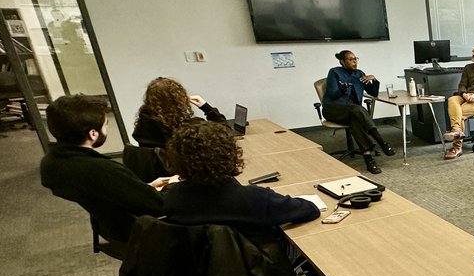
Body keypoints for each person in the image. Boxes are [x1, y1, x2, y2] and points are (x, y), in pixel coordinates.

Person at [40, 94, 169, 245]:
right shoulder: (103, 170)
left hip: (110, 228)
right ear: (93, 134)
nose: (107, 128)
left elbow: (108, 193)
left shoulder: (51, 163)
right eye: (106, 125)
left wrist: (144, 188)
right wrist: (173, 185)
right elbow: (158, 206)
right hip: (141, 234)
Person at [162, 119, 320, 243]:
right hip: (254, 274)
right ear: (230, 154)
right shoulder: (254, 198)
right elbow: (310, 210)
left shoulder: (171, 196)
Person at [130, 77, 227, 179]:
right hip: (191, 178)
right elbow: (225, 133)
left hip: (164, 180)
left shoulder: (143, 126)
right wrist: (206, 107)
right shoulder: (188, 129)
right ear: (180, 100)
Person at [322, 50, 393, 174]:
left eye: (355, 59)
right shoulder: (335, 72)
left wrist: (374, 80)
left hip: (353, 112)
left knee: (356, 120)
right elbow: (332, 95)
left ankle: (368, 160)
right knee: (358, 110)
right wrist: (343, 89)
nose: (354, 62)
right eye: (350, 59)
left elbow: (374, 93)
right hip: (333, 109)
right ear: (342, 61)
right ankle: (381, 141)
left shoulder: (359, 74)